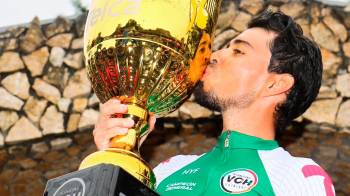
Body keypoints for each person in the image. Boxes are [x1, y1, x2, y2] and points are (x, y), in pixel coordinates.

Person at [92, 11, 335, 195]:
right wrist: (112, 162)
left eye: (238, 51)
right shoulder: (168, 170)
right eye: (223, 48)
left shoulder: (299, 178)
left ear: (275, 84)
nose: (213, 56)